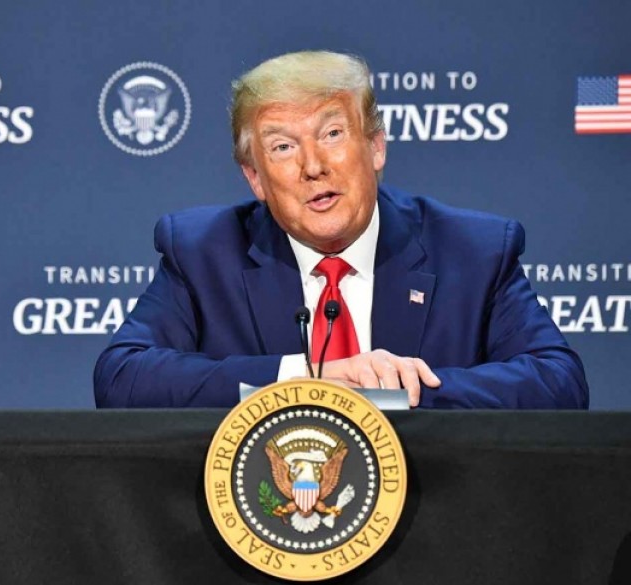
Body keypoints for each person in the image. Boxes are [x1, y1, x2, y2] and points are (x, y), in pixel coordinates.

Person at [93, 50, 588, 410]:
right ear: (255, 177)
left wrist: (394, 393)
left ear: (376, 146)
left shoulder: (473, 252)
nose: (313, 166)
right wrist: (305, 380)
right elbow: (122, 378)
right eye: (283, 147)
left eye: (332, 134)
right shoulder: (204, 253)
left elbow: (559, 382)